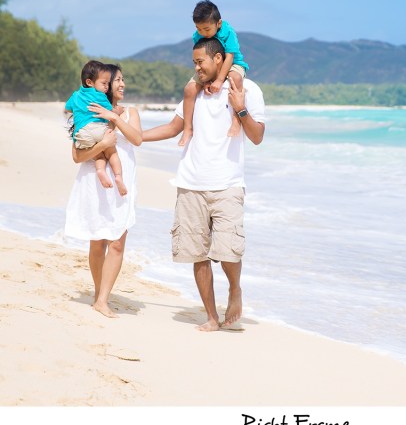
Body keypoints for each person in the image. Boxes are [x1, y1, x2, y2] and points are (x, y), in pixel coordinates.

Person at [143, 37, 266, 331]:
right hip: (190, 183)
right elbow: (175, 127)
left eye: (201, 62)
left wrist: (240, 110)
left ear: (219, 60)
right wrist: (134, 136)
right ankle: (211, 316)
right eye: (194, 62)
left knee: (228, 252)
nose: (196, 68)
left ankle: (234, 289)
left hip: (228, 185)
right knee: (197, 254)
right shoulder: (194, 92)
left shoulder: (247, 90)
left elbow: (258, 136)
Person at [64, 64, 143, 318]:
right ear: (101, 84)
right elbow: (77, 156)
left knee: (117, 243)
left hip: (121, 185)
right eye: (113, 81)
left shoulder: (129, 112)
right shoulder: (88, 112)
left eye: (121, 79)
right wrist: (105, 144)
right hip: (95, 183)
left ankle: (103, 298)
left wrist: (115, 119)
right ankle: (100, 296)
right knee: (97, 242)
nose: (119, 84)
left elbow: (137, 139)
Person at [178, 0, 250, 147]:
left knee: (235, 78)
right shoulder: (197, 36)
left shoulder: (228, 32)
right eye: (199, 29)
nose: (203, 33)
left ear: (218, 23)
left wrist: (218, 80)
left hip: (233, 64)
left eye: (207, 29)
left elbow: (229, 56)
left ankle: (236, 121)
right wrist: (206, 81)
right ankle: (187, 129)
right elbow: (202, 60)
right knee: (189, 89)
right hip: (211, 68)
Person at [65, 60, 128, 196]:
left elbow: (67, 108)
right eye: (105, 83)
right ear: (90, 82)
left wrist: (79, 110)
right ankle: (118, 176)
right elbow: (76, 158)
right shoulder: (101, 97)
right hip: (99, 129)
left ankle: (100, 170)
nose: (106, 87)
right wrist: (116, 114)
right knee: (111, 153)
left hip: (82, 132)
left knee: (99, 154)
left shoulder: (76, 95)